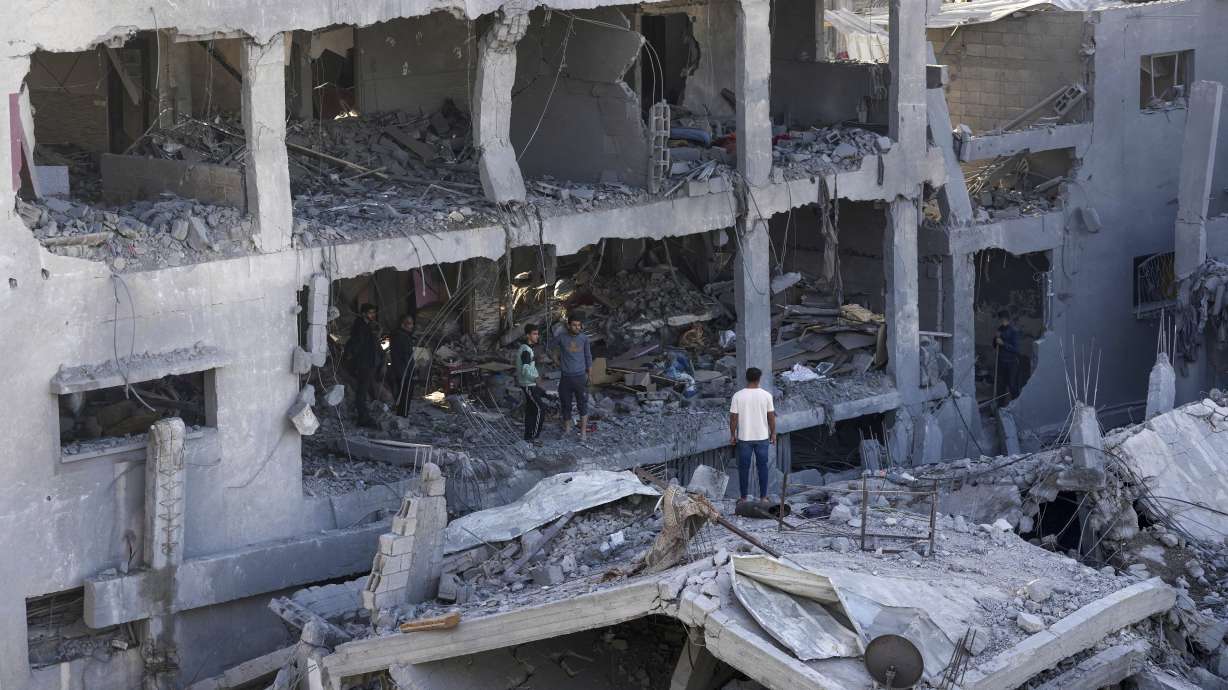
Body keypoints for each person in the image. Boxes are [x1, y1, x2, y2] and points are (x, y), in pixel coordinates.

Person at [729, 367, 776, 502]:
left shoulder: (738, 396)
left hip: (744, 438)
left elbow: (733, 418)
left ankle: (743, 497)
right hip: (762, 438)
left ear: (746, 378)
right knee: (763, 467)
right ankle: (763, 497)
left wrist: (732, 435)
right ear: (759, 379)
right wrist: (773, 433)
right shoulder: (766, 395)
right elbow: (771, 417)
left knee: (743, 468)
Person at [553, 313, 593, 439]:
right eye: (574, 325)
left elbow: (588, 357)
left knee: (582, 405)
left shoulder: (584, 338)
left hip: (580, 377)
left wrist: (589, 375)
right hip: (566, 377)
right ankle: (567, 430)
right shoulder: (561, 337)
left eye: (579, 325)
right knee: (566, 404)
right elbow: (551, 349)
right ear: (568, 325)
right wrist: (557, 361)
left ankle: (583, 433)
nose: (577, 327)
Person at [345, 303, 383, 427]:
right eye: (370, 313)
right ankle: (363, 417)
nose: (373, 315)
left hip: (368, 363)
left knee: (363, 390)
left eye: (373, 312)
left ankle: (364, 415)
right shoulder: (360, 327)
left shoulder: (366, 326)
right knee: (361, 391)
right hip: (364, 364)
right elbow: (358, 345)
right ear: (363, 314)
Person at [518, 323, 547, 441]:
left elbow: (529, 365)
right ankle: (534, 437)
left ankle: (528, 436)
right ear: (527, 335)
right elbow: (525, 369)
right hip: (528, 384)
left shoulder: (527, 348)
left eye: (537, 334)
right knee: (540, 408)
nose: (537, 336)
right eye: (534, 334)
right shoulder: (526, 350)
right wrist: (535, 378)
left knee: (531, 410)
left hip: (529, 383)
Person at [389, 314, 417, 417]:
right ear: (402, 324)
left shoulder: (396, 335)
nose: (412, 326)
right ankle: (403, 416)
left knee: (401, 394)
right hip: (404, 371)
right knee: (405, 395)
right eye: (409, 323)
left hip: (399, 370)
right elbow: (407, 357)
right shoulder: (403, 337)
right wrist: (413, 372)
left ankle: (401, 415)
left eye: (412, 323)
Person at [994, 309, 1021, 402]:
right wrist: (995, 338)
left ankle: (1015, 406)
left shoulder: (1014, 331)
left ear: (1007, 319)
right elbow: (995, 345)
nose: (1001, 321)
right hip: (1001, 362)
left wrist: (1003, 344)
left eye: (1003, 319)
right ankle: (1000, 406)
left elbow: (1016, 349)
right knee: (1000, 386)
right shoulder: (1000, 329)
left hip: (1012, 363)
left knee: (1012, 385)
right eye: (1000, 320)